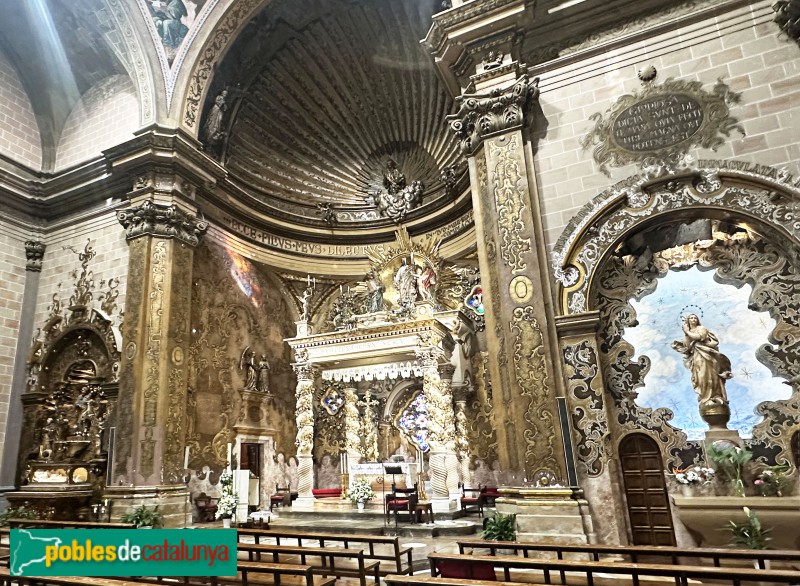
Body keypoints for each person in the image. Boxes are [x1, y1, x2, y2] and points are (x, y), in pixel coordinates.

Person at [671, 314, 732, 406]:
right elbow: (687, 346)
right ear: (688, 321)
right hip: (696, 356)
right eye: (691, 318)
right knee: (700, 377)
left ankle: (716, 395)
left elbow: (700, 337)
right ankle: (705, 397)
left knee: (710, 375)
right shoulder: (688, 333)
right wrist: (686, 334)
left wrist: (687, 332)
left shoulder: (701, 328)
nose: (693, 319)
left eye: (695, 318)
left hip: (707, 355)